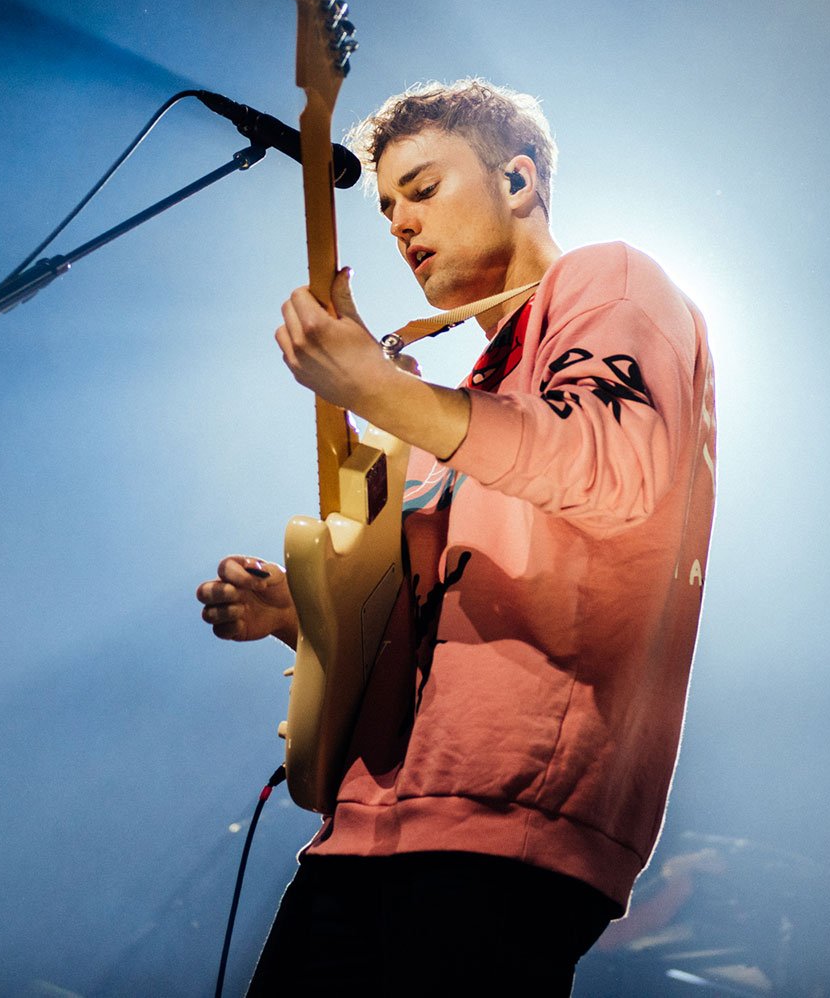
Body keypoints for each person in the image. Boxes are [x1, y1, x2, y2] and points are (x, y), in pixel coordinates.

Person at [196, 78, 716, 995]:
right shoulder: (458, 407)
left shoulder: (611, 280)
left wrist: (381, 390)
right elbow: (414, 631)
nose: (399, 225)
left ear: (517, 180)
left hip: (503, 833)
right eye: (389, 206)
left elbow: (614, 466)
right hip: (365, 828)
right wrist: (301, 611)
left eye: (424, 190)